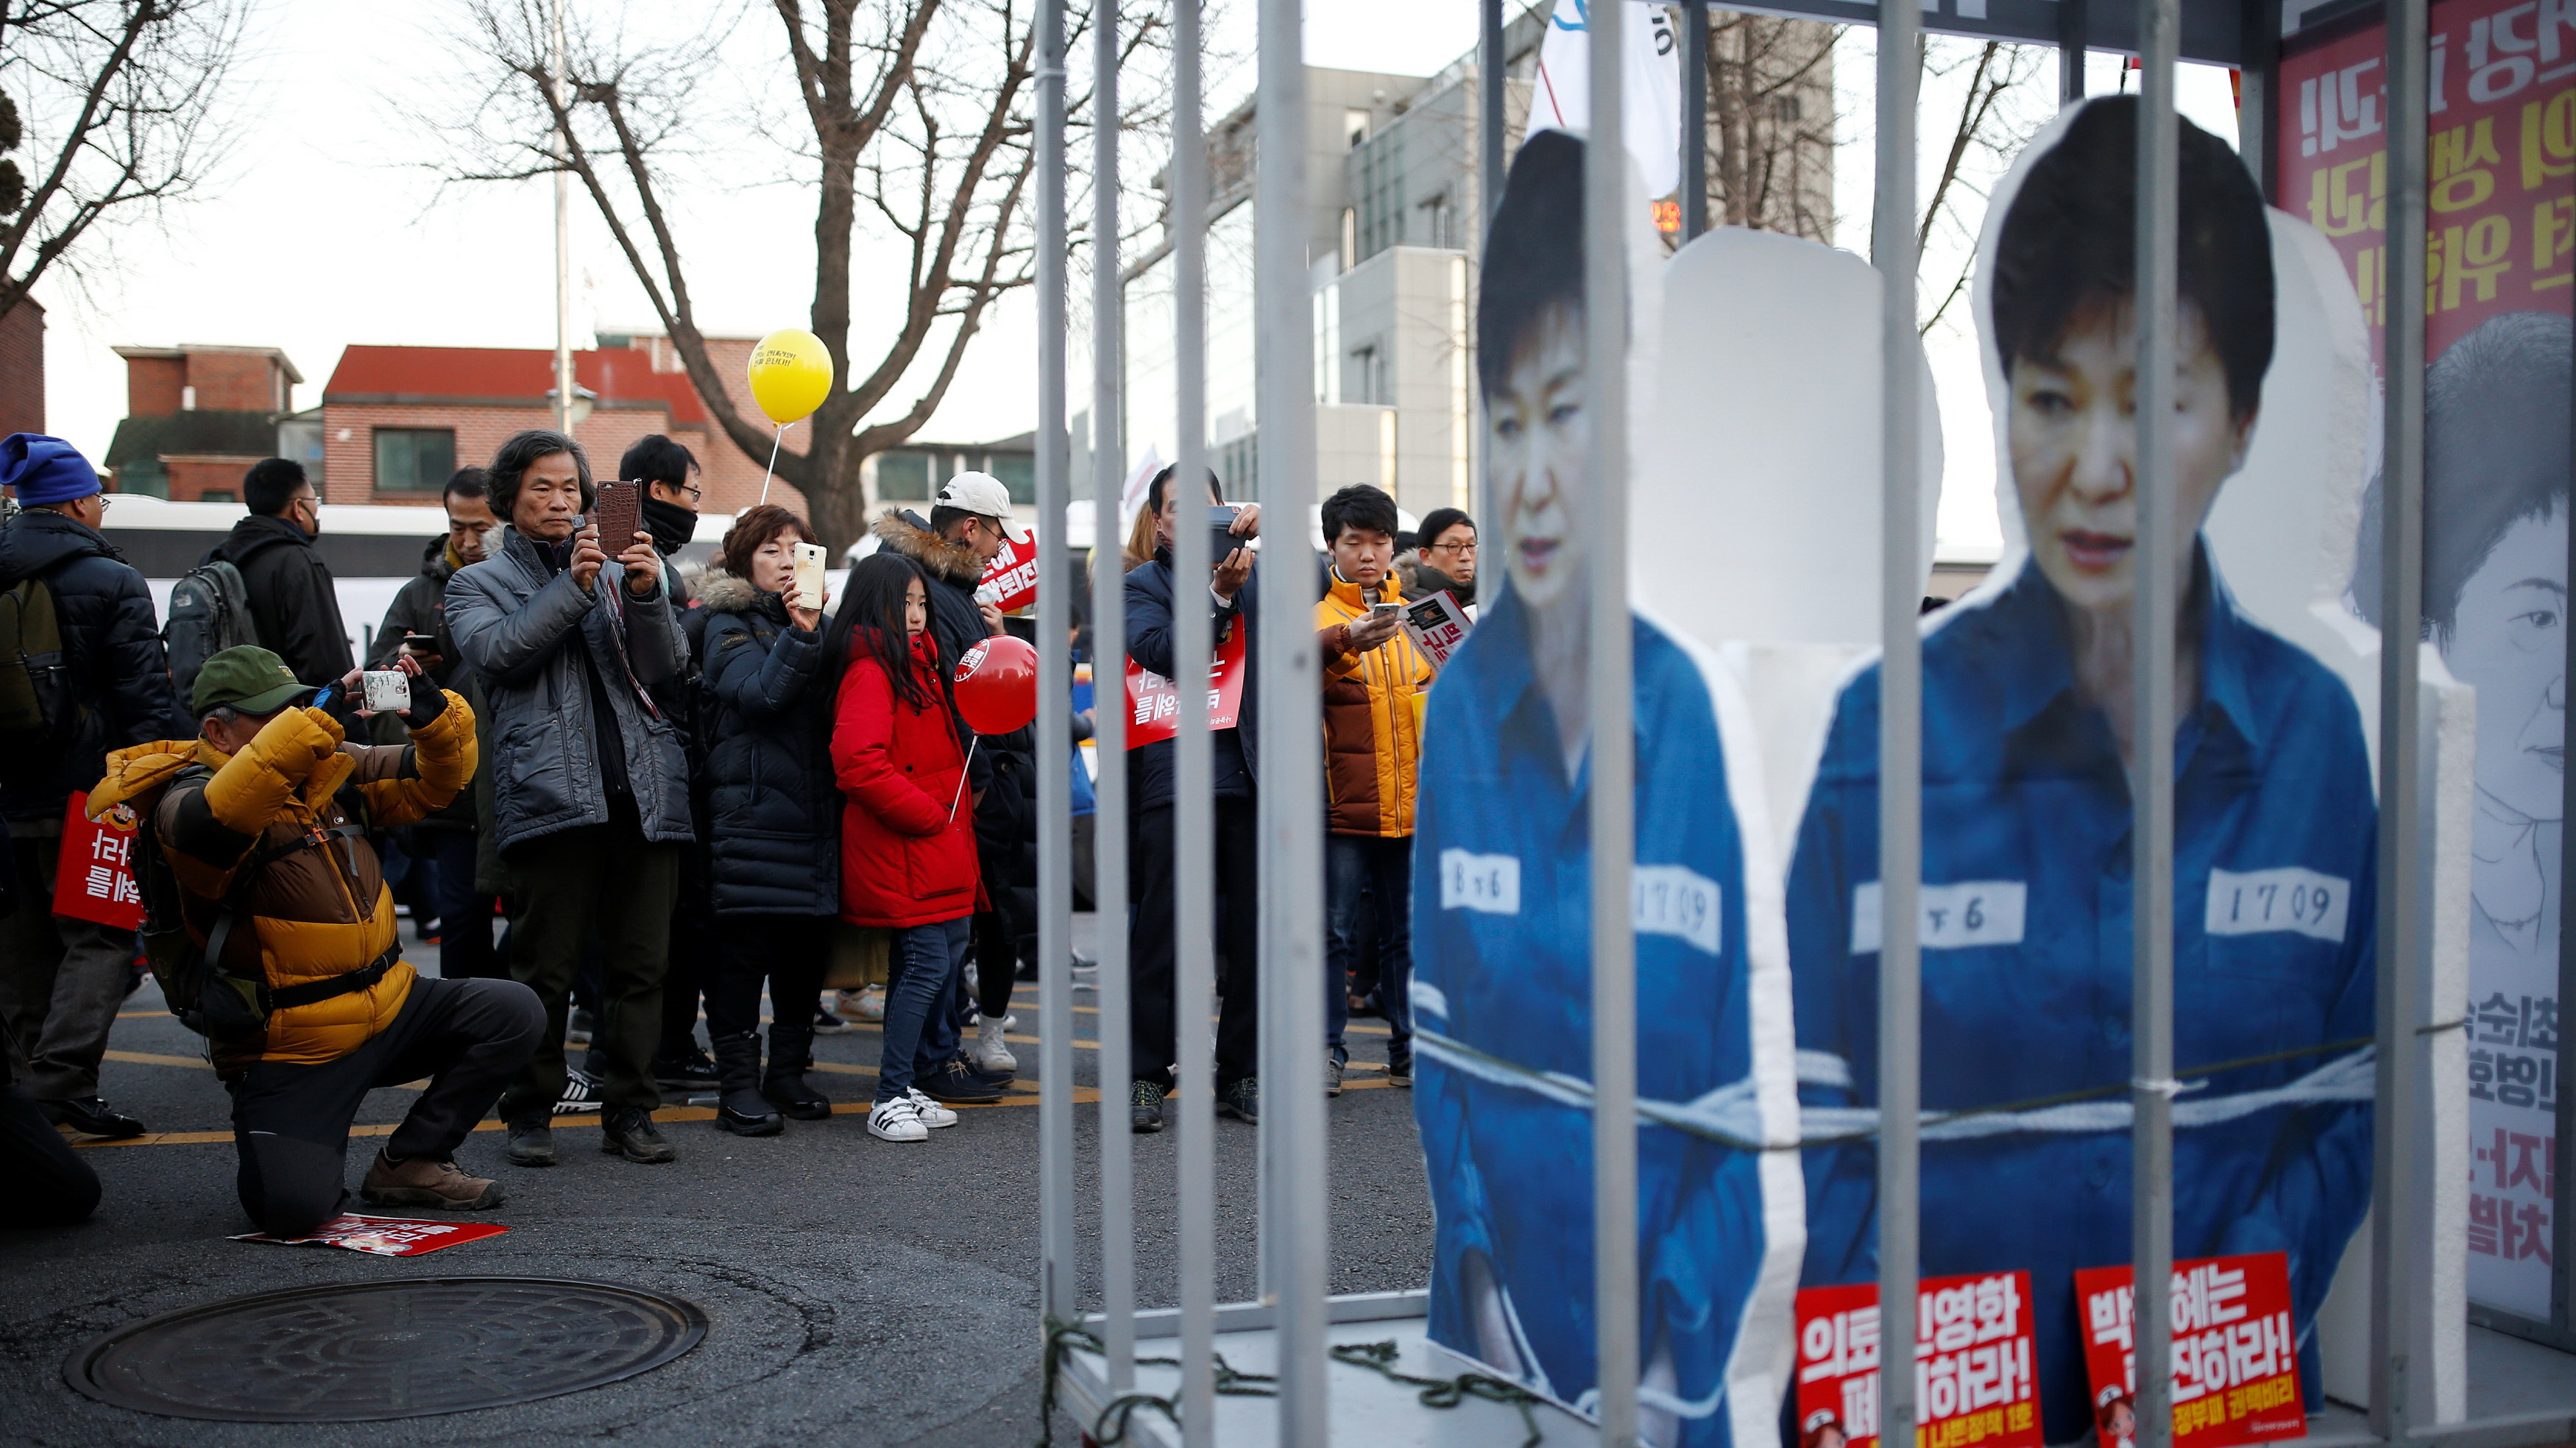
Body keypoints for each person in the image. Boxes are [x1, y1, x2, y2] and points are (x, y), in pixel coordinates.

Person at [1789, 99, 2373, 1438]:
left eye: (2159, 402)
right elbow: (1804, 1099)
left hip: (2200, 1400)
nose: (2100, 469)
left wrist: (2223, 1321)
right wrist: (1912, 1358)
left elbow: (2345, 1100)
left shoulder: (2316, 743)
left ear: (2240, 420)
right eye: (2055, 398)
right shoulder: (1885, 733)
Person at [1410, 129, 1789, 1448]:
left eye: (1566, 412)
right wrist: (1487, 1300)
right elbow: (1441, 1041)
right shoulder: (1464, 704)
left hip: (1679, 1376)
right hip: (1497, 1351)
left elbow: (1749, 1106)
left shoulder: (1701, 714)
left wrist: (1668, 1371)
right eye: (1507, 420)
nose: (1529, 472)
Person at [87, 645, 542, 1236]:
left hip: (390, 1008)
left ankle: (412, 1161)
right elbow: (221, 817)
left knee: (513, 1011)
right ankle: (294, 1130)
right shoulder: (181, 800)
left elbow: (439, 782)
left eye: (299, 707)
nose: (298, 722)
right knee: (294, 1212)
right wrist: (315, 721)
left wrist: (431, 714)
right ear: (217, 732)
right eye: (275, 715)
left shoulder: (328, 769)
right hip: (292, 1045)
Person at [445, 428, 693, 1169]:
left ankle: (631, 1108)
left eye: (570, 489)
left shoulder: (621, 568)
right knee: (543, 970)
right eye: (542, 488)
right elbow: (499, 655)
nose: (560, 502)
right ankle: (530, 1109)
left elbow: (668, 668)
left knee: (641, 966)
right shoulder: (477, 583)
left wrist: (646, 594)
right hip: (550, 795)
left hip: (641, 791)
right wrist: (574, 588)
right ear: (510, 500)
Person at [0, 434, 191, 1139]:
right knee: (102, 937)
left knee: (21, 947)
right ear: (79, 502)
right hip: (92, 796)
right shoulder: (111, 579)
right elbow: (143, 700)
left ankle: (26, 1093)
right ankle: (63, 1084)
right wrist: (156, 785)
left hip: (7, 797)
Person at [872, 472, 1030, 1095]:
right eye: (996, 536)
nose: (999, 549)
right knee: (938, 935)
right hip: (955, 785)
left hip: (962, 782)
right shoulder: (934, 592)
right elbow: (952, 699)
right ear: (970, 529)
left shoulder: (943, 589)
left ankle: (938, 1055)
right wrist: (983, 780)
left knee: (949, 932)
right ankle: (931, 1061)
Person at [1124, 464, 1264, 1132]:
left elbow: (1323, 581)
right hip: (1174, 781)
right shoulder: (1140, 586)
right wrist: (1216, 596)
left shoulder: (1259, 572)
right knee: (1161, 936)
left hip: (1250, 776)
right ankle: (1147, 1075)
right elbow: (1159, 650)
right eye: (1178, 508)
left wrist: (1271, 533)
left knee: (1252, 937)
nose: (1194, 519)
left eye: (1210, 508)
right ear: (1159, 523)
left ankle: (1241, 1073)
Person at [696, 505, 841, 1135]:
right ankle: (736, 1088)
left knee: (803, 957)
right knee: (740, 958)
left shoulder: (821, 625)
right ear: (742, 561)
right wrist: (802, 633)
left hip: (815, 817)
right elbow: (759, 695)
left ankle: (786, 1073)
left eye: (798, 550)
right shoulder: (725, 623)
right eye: (771, 550)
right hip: (749, 820)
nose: (787, 562)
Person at [829, 553, 978, 1143]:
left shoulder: (918, 664)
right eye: (904, 603)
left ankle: (903, 1086)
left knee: (924, 964)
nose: (916, 614)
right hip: (904, 845)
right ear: (875, 605)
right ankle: (889, 1095)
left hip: (928, 844)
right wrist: (929, 815)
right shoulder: (872, 669)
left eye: (921, 603)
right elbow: (857, 764)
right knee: (924, 965)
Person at [1312, 483, 1431, 1095]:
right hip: (1339, 805)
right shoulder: (1316, 619)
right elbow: (1286, 685)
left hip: (1413, 804)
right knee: (1331, 933)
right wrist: (1343, 646)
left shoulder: (1424, 617)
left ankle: (1411, 1050)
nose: (1368, 554)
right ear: (1332, 546)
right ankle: (1326, 1051)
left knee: (1407, 933)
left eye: (1380, 542)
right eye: (1353, 542)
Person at [368, 468, 502, 981]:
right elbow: (376, 688)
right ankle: (468, 1022)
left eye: (479, 528)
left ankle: (516, 1014)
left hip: (516, 782)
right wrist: (404, 669)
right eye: (456, 527)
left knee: (540, 920)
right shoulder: (418, 595)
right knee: (463, 922)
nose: (467, 541)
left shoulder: (527, 582)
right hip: (453, 789)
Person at [621, 433, 719, 1090]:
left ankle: (662, 1047)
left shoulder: (665, 569)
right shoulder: (626, 565)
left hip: (666, 770)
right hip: (644, 774)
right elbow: (656, 670)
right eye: (692, 492)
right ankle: (655, 1053)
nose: (695, 505)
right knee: (659, 928)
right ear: (659, 491)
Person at [207, 458, 353, 692]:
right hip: (286, 710)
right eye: (314, 501)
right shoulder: (299, 562)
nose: (316, 510)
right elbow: (322, 660)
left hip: (227, 707)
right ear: (298, 508)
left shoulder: (218, 559)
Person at [1414, 506, 1478, 607]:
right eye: (1453, 546)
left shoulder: (1491, 601)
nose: (1466, 557)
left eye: (1471, 545)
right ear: (1426, 556)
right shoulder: (1401, 603)